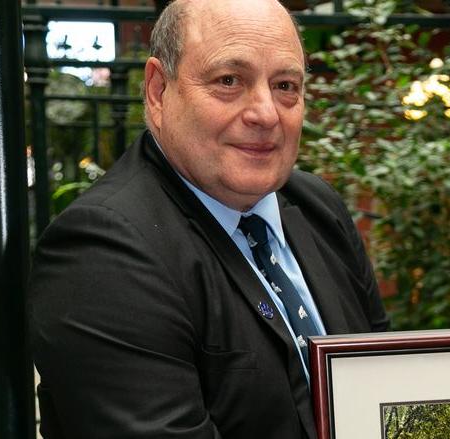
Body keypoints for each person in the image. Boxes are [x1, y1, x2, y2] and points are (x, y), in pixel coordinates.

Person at [28, 1, 389, 438]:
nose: (265, 113)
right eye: (229, 81)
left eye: (285, 85)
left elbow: (379, 387)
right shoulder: (102, 253)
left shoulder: (316, 207)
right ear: (159, 90)